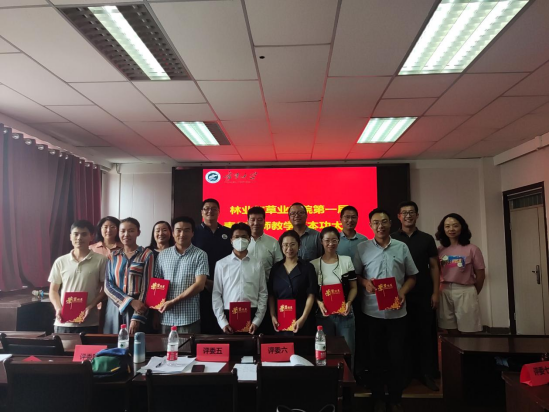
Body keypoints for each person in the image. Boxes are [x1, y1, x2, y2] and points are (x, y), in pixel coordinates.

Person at [354, 209, 418, 412]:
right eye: (375, 223)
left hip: (397, 313)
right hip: (372, 312)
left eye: (383, 222)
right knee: (375, 357)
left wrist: (403, 292)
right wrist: (365, 283)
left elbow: (412, 277)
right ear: (370, 225)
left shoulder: (401, 247)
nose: (380, 226)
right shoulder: (362, 248)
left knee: (396, 357)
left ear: (390, 223)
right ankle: (378, 398)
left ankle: (395, 398)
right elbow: (356, 276)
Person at [392, 201, 441, 391]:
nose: (408, 216)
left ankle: (426, 373)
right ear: (399, 216)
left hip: (423, 293)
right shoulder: (392, 238)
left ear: (417, 215)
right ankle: (406, 373)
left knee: (425, 334)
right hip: (399, 293)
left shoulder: (427, 239)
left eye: (411, 212)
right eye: (404, 213)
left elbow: (434, 266)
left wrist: (435, 292)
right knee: (403, 335)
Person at [48, 220, 107, 334]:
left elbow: (104, 289)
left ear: (91, 237)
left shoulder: (101, 260)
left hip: (89, 322)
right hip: (63, 322)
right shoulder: (60, 261)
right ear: (70, 236)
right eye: (76, 234)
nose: (79, 238)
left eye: (84, 234)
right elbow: (53, 290)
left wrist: (90, 307)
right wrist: (58, 308)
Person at [312, 226, 357, 370]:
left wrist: (349, 302)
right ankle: (329, 380)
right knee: (325, 350)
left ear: (339, 241)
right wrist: (319, 303)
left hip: (345, 314)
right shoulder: (314, 264)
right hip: (324, 315)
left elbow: (354, 287)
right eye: (327, 240)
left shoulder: (346, 261)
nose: (330, 243)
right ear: (321, 241)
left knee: (347, 351)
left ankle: (347, 380)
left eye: (334, 240)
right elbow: (312, 292)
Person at [154, 217, 209, 334]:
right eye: (178, 230)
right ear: (173, 233)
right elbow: (157, 285)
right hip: (165, 317)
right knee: (164, 346)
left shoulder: (200, 255)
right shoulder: (162, 255)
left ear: (192, 233)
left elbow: (200, 285)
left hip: (189, 318)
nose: (182, 234)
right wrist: (155, 314)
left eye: (186, 230)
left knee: (188, 347)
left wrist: (173, 301)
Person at [212, 223, 268, 335]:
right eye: (237, 237)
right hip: (228, 314)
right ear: (231, 240)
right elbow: (216, 294)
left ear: (249, 239)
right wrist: (222, 322)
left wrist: (257, 320)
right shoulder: (221, 264)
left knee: (252, 346)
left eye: (244, 237)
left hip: (252, 313)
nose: (240, 240)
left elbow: (263, 293)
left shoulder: (258, 264)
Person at [436, 213, 486, 335]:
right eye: (447, 226)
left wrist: (473, 292)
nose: (451, 229)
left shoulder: (472, 249)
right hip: (444, 290)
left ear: (462, 227)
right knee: (449, 328)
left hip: (465, 290)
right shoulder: (440, 250)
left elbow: (480, 275)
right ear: (443, 229)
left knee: (468, 329)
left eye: (455, 225)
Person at [104, 218, 155, 335]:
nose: (126, 234)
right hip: (115, 306)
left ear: (138, 232)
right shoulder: (113, 256)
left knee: (135, 342)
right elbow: (108, 285)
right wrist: (130, 301)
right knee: (113, 341)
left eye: (131, 231)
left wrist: (137, 317)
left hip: (138, 306)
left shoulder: (147, 254)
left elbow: (147, 287)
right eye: (123, 231)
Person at [192, 199, 233, 334]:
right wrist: (205, 282)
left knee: (224, 321)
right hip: (202, 285)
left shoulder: (228, 232)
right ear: (201, 212)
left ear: (219, 212)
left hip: (226, 285)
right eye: (206, 208)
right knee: (205, 321)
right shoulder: (194, 232)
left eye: (214, 208)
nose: (210, 211)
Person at [268, 231, 318, 336]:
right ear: (281, 247)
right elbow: (271, 295)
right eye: (285, 245)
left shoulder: (308, 267)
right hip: (280, 320)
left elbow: (311, 294)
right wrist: (272, 316)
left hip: (302, 319)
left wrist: (303, 318)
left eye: (292, 244)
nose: (289, 248)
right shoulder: (276, 268)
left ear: (299, 245)